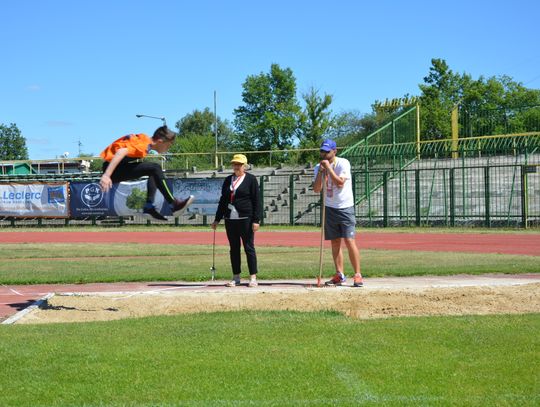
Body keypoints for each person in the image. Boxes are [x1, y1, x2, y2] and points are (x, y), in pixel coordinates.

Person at [99, 126, 193, 221]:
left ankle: (149, 207)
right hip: (113, 169)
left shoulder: (144, 139)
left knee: (154, 171)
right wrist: (107, 175)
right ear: (160, 141)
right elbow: (121, 151)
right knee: (155, 168)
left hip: (119, 167)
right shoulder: (143, 146)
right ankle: (173, 204)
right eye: (168, 145)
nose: (168, 149)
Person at [313, 139, 364, 287]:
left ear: (335, 151)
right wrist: (321, 172)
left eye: (327, 151)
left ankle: (357, 274)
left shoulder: (343, 163)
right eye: (322, 151)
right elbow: (317, 189)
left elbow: (340, 183)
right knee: (335, 242)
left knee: (349, 240)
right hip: (329, 208)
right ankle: (339, 274)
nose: (324, 154)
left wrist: (328, 168)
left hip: (345, 207)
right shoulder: (319, 167)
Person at [211, 154, 261, 287]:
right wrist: (217, 219)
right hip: (230, 219)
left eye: (239, 164)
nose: (236, 167)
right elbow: (223, 200)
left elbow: (257, 200)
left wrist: (256, 220)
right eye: (234, 164)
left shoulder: (251, 179)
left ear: (244, 166)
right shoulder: (228, 180)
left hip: (246, 218)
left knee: (249, 247)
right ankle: (236, 277)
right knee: (234, 248)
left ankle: (253, 277)